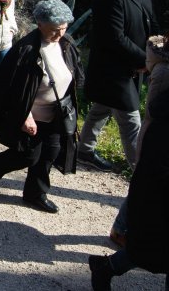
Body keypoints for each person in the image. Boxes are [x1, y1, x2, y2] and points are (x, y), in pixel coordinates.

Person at [0, 0, 83, 214]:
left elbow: (76, 73)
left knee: (50, 153)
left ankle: (35, 194)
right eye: (55, 29)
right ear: (40, 24)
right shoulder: (25, 49)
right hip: (29, 114)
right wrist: (24, 115)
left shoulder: (67, 43)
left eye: (64, 28)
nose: (60, 33)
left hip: (56, 113)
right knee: (27, 155)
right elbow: (7, 88)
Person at [79, 0, 158, 172]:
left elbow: (151, 23)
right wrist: (146, 60)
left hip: (131, 68)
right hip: (113, 70)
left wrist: (157, 50)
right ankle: (142, 174)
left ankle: (84, 150)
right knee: (131, 122)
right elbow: (114, 37)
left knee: (100, 109)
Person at [88, 87, 169, 291]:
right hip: (159, 184)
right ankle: (106, 268)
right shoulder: (165, 113)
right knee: (151, 245)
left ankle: (106, 267)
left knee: (154, 247)